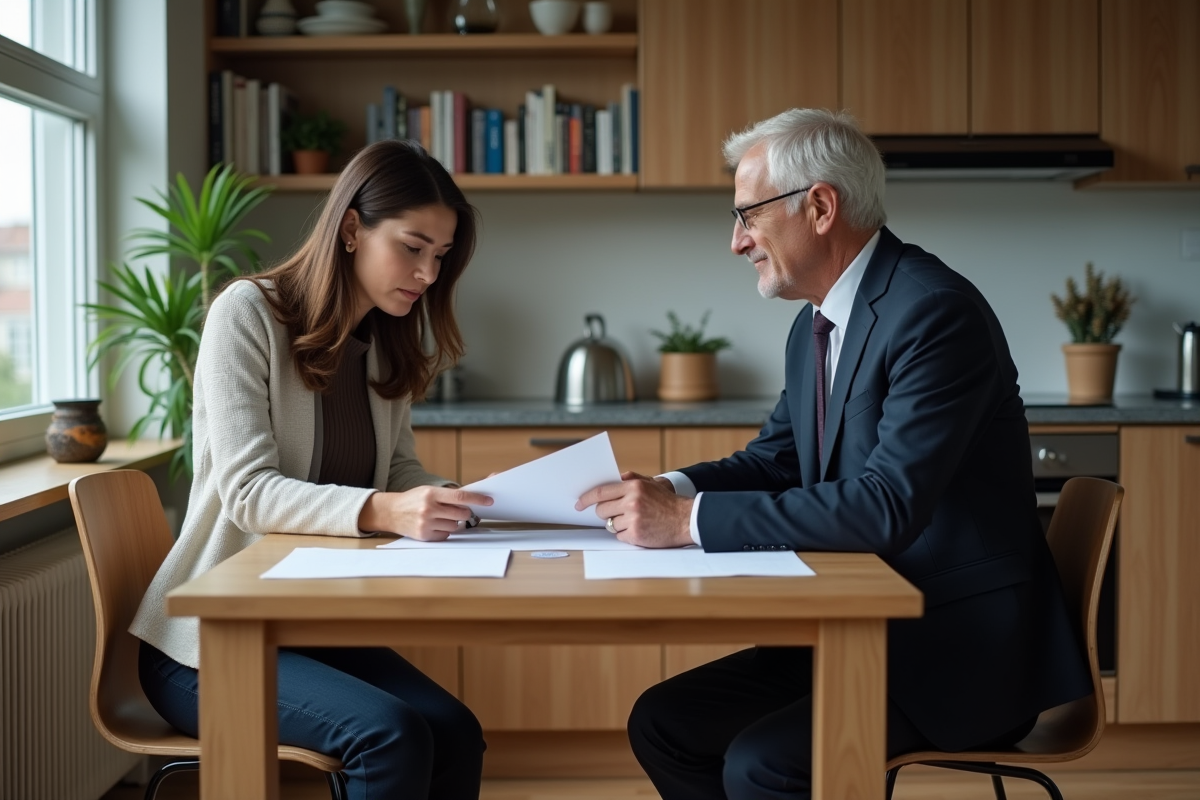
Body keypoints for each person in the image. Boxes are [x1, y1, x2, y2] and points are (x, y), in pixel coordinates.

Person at [576, 109, 1093, 799]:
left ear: (820, 206)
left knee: (761, 763)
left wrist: (686, 521)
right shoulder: (813, 326)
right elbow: (774, 461)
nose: (736, 242)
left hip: (956, 648)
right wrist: (662, 490)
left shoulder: (935, 313)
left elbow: (886, 506)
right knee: (665, 723)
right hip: (861, 627)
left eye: (747, 216)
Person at [130, 140, 493, 800]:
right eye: (413, 247)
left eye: (439, 257)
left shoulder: (385, 341)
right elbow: (247, 493)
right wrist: (388, 510)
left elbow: (399, 468)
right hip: (207, 641)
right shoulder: (246, 314)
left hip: (305, 624)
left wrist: (456, 498)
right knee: (391, 735)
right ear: (352, 228)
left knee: (455, 731)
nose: (428, 274)